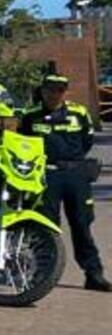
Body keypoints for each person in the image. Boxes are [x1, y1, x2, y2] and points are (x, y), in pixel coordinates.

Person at [17, 71, 108, 291]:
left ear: (65, 92)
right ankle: (43, 273)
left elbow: (86, 141)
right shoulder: (31, 116)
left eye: (59, 90)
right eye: (49, 90)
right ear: (42, 91)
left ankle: (93, 274)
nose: (54, 94)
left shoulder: (79, 113)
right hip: (45, 176)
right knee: (45, 226)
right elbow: (21, 143)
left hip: (75, 175)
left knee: (82, 224)